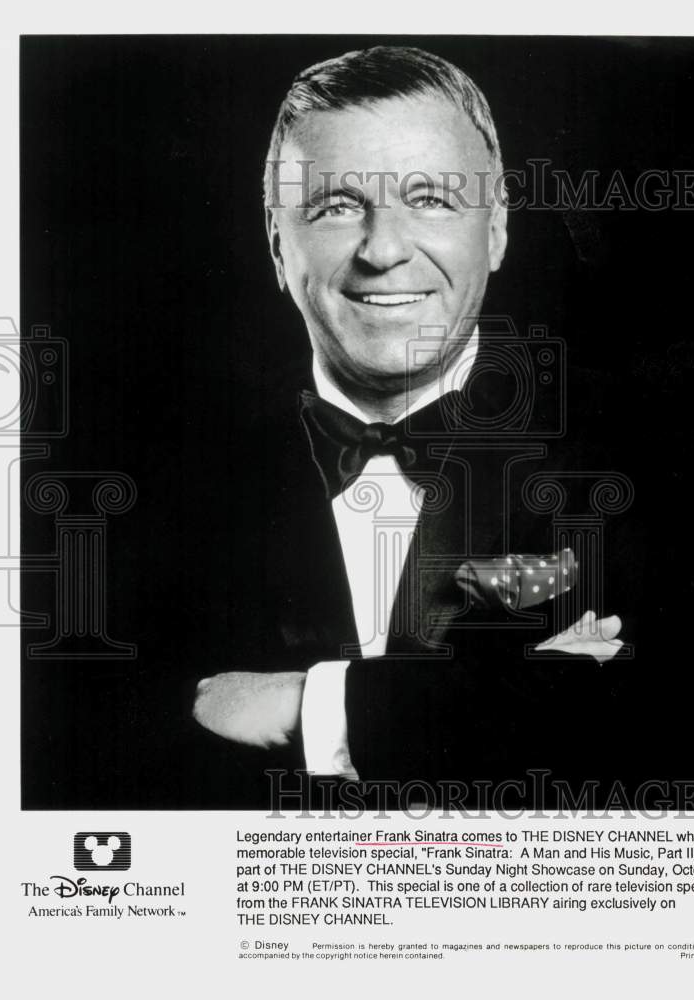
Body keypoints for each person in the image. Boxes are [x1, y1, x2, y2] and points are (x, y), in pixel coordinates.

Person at [187, 46, 633, 809]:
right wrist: (521, 687)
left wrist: (313, 707)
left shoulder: (667, 442)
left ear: (493, 231)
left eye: (429, 198)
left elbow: (670, 723)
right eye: (333, 206)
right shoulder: (163, 472)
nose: (382, 250)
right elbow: (92, 729)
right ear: (275, 243)